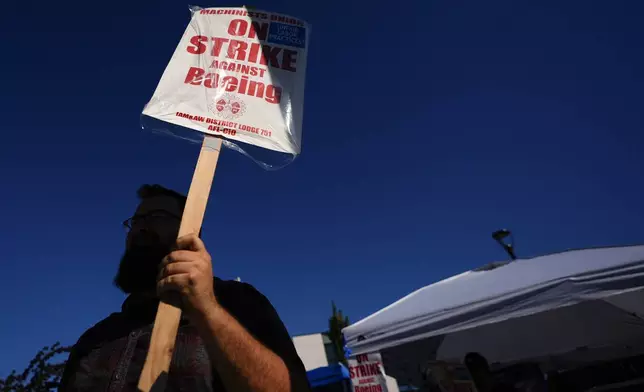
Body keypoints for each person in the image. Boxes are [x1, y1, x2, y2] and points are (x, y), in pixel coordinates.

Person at [59, 184, 311, 392]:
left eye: (156, 217)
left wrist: (207, 309)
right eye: (135, 221)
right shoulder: (96, 338)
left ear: (191, 231)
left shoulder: (239, 302)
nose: (140, 228)